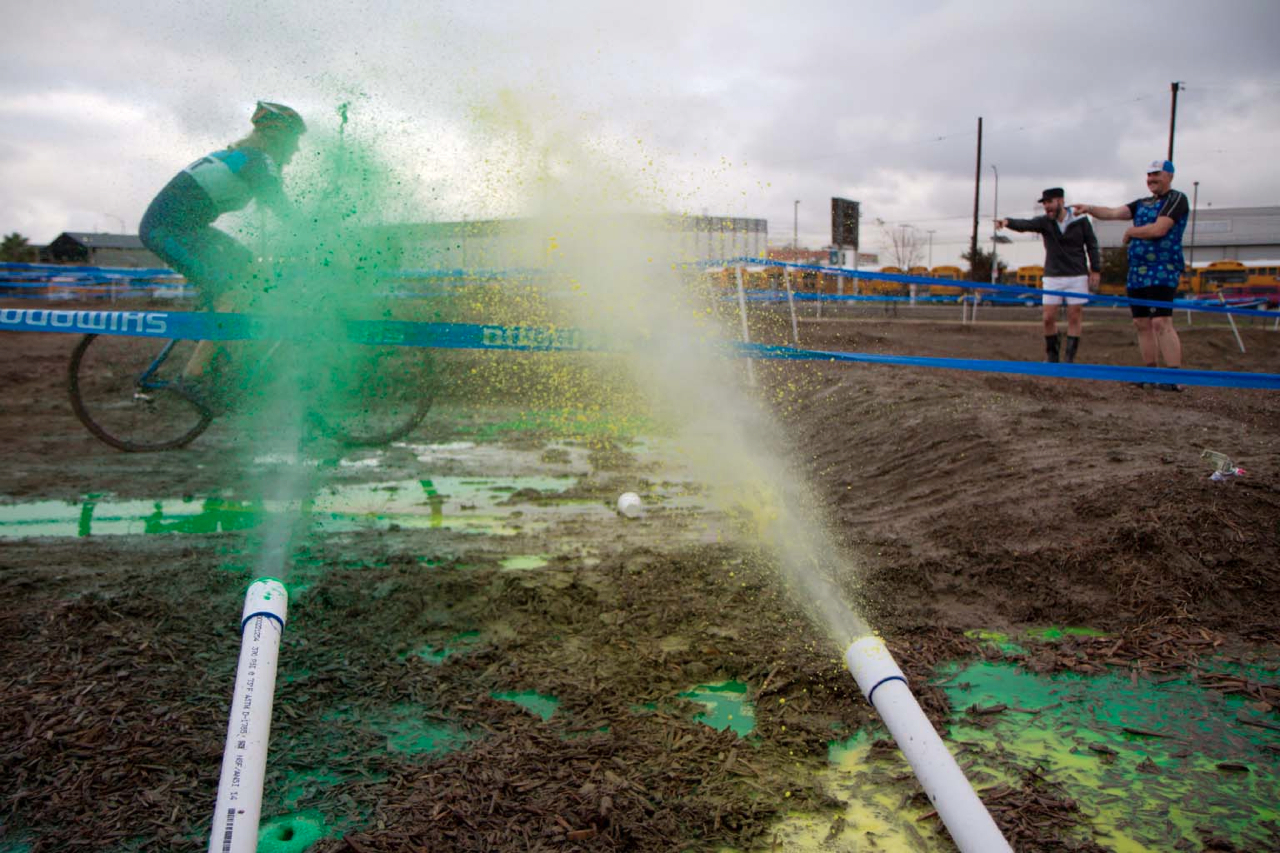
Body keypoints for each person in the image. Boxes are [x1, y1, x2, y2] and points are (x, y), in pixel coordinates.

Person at [138, 101, 306, 388]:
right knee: (230, 293)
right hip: (166, 231)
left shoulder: (247, 157)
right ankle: (193, 378)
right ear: (277, 137)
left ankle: (228, 351)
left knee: (252, 269)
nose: (297, 150)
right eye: (294, 141)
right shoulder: (257, 160)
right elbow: (285, 212)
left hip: (189, 228)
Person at [1074, 160, 1190, 391]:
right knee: (1141, 322)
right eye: (1148, 176)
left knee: (1161, 321)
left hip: (1162, 269)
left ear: (1169, 176)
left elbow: (1160, 229)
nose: (1151, 180)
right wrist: (1089, 208)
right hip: (1137, 271)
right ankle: (1149, 372)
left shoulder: (1176, 199)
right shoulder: (1142, 203)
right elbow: (1114, 212)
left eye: (1156, 175)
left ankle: (1174, 377)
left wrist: (1131, 232)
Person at [997, 187, 1100, 363]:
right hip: (1053, 276)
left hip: (1077, 275)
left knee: (1074, 315)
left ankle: (1069, 357)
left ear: (1060, 201)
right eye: (1044, 204)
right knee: (1048, 317)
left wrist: (1096, 269)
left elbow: (1091, 244)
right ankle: (1052, 353)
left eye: (1049, 202)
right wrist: (1007, 222)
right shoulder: (1045, 222)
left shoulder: (1081, 220)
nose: (1046, 207)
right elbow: (1026, 225)